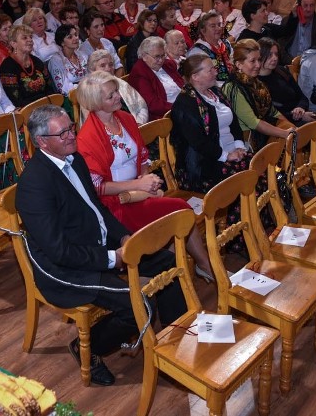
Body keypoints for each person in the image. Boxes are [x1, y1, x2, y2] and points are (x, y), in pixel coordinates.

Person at [15, 105, 187, 386]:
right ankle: (88, 349)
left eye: (71, 127)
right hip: (63, 269)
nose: (73, 136)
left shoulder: (74, 159)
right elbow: (58, 251)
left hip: (95, 245)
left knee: (167, 264)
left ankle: (175, 343)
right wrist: (112, 258)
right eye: (64, 133)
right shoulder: (34, 185)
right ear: (42, 142)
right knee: (139, 305)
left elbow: (97, 210)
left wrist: (123, 237)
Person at [76, 72, 214, 278]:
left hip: (139, 192)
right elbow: (97, 186)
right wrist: (139, 185)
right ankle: (202, 266)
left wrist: (146, 180)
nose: (118, 97)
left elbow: (141, 157)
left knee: (170, 217)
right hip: (116, 204)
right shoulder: (87, 137)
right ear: (95, 103)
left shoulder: (125, 118)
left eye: (116, 92)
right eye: (110, 96)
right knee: (181, 211)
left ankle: (177, 272)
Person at [169, 55, 250, 192]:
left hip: (231, 151)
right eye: (210, 70)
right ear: (195, 76)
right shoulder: (185, 104)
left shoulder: (215, 91)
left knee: (258, 166)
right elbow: (199, 142)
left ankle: (258, 212)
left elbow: (234, 122)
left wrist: (239, 146)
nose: (216, 72)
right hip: (204, 164)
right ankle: (246, 212)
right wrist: (226, 155)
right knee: (246, 179)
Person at [222, 39, 296, 151]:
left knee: (293, 133)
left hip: (263, 130)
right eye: (253, 61)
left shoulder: (256, 83)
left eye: (259, 60)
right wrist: (284, 133)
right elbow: (253, 122)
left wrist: (291, 127)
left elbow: (273, 111)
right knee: (289, 139)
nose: (258, 65)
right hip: (247, 139)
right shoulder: (233, 87)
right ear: (239, 64)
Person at [256, 37, 316, 125]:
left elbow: (302, 97)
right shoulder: (256, 82)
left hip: (300, 116)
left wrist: (300, 108)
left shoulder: (282, 71)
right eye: (269, 55)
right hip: (281, 124)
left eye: (276, 54)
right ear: (260, 56)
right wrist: (297, 116)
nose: (274, 58)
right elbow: (270, 114)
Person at [85, 50, 148, 125]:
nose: (108, 69)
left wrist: (139, 123)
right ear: (93, 70)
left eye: (111, 65)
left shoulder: (122, 84)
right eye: (102, 65)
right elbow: (94, 124)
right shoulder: (90, 93)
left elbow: (142, 106)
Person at [0, 24, 54, 107]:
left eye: (30, 37)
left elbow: (49, 88)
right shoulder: (7, 67)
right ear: (13, 43)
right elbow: (15, 99)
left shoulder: (37, 61)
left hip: (47, 106)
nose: (30, 40)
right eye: (24, 38)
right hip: (26, 111)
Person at [128, 36, 183, 121]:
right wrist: (179, 108)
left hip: (182, 107)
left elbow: (183, 86)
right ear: (144, 56)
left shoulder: (167, 65)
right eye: (157, 56)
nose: (161, 60)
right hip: (166, 117)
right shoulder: (139, 73)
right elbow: (153, 105)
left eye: (163, 55)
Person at [279, 0, 316, 65]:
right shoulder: (287, 21)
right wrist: (293, 63)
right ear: (298, 5)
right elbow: (281, 48)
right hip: (289, 64)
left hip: (312, 65)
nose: (309, 9)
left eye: (312, 5)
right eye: (305, 5)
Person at [187, 11, 234, 86]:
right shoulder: (197, 51)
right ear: (203, 31)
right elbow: (200, 80)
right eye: (213, 26)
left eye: (219, 25)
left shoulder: (226, 44)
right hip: (212, 88)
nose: (218, 28)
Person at [79, 12, 125, 77]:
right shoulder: (83, 51)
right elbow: (89, 76)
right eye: (96, 27)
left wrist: (116, 81)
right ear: (87, 30)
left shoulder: (107, 43)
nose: (101, 29)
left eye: (102, 25)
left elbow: (119, 66)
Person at [49, 24, 87, 96]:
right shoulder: (56, 60)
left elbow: (91, 75)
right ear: (62, 43)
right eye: (70, 37)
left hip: (88, 92)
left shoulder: (82, 55)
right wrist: (85, 87)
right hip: (71, 98)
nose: (75, 38)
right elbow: (63, 88)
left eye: (76, 35)